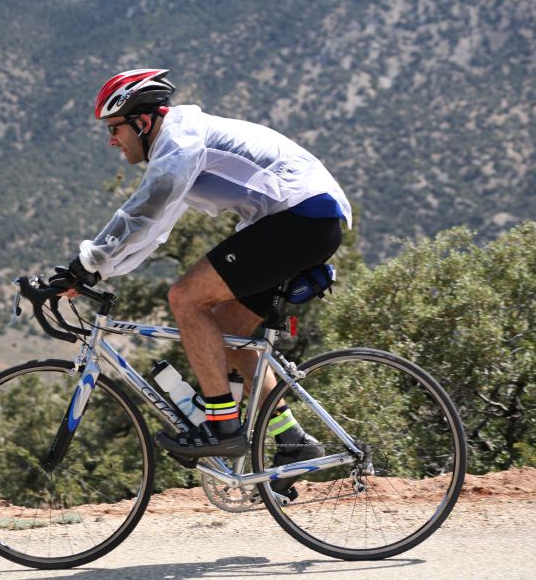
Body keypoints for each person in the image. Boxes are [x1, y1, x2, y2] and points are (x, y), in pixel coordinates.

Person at [51, 68, 351, 496]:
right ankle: (292, 442)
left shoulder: (180, 139)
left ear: (143, 121)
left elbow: (142, 213)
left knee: (185, 298)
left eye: (115, 128)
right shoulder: (176, 148)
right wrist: (94, 270)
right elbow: (154, 229)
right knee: (229, 329)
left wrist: (86, 265)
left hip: (302, 217)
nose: (111, 140)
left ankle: (222, 424)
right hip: (303, 221)